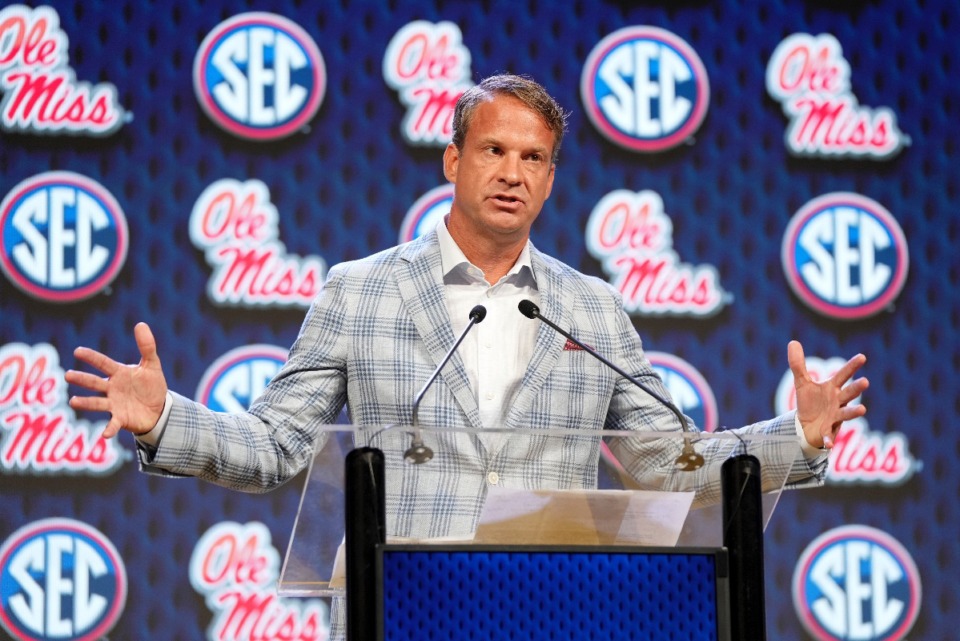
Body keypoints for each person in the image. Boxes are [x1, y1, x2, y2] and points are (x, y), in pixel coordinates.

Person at [66, 74, 868, 634]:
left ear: (552, 181)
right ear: (453, 160)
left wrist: (791, 438)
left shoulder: (591, 306)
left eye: (534, 158)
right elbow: (278, 447)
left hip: (557, 611)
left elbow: (665, 459)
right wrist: (165, 417)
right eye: (494, 151)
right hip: (404, 607)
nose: (512, 173)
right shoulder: (359, 291)